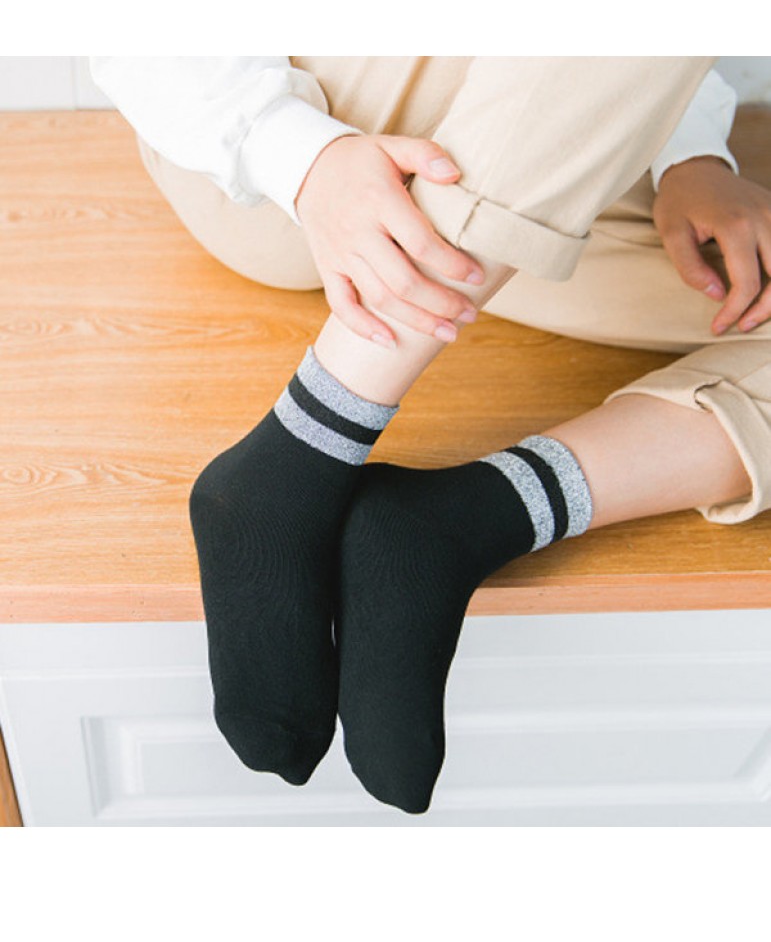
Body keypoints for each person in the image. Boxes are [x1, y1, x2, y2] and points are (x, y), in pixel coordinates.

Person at [92, 57, 771, 814]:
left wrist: (689, 156)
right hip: (278, 149)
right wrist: (301, 154)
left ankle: (461, 518)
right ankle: (303, 446)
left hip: (544, 173)